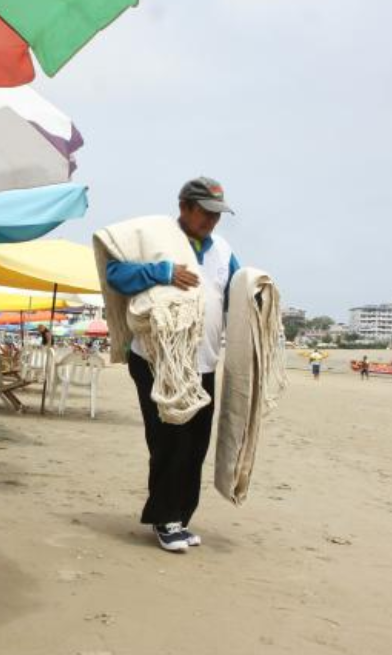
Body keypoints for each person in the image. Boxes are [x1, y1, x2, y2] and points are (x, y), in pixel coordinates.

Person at [105, 176, 240, 553]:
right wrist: (161, 272)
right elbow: (115, 275)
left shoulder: (223, 250)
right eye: (206, 212)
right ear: (184, 207)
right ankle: (164, 518)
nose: (212, 220)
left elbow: (236, 293)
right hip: (156, 359)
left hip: (204, 363)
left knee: (196, 444)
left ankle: (180, 516)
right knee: (170, 441)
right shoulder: (154, 237)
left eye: (217, 214)